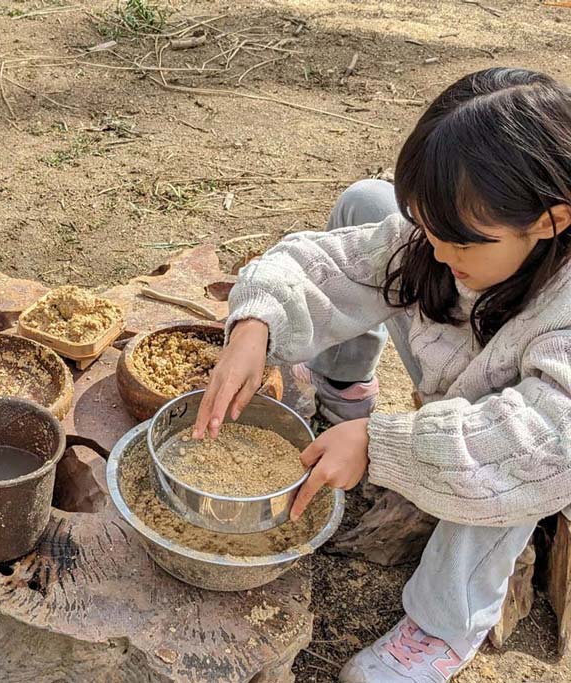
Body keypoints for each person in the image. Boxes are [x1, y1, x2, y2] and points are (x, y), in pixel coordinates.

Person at [194, 67, 571, 683]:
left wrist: (381, 444)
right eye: (428, 229)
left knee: (508, 468)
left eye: (462, 242)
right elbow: (328, 264)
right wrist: (256, 324)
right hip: (467, 363)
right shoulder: (451, 238)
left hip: (543, 440)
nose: (440, 254)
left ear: (553, 219)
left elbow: (537, 447)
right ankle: (344, 390)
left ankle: (446, 624)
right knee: (366, 202)